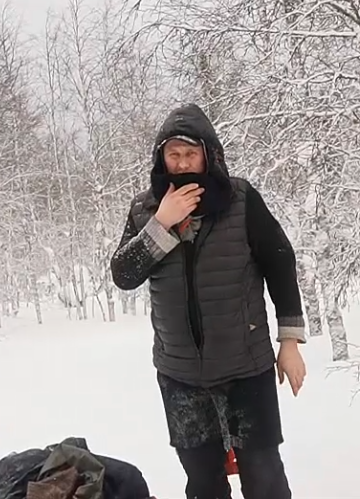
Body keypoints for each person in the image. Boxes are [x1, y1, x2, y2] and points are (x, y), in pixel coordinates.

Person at [109, 103, 308, 499]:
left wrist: (289, 343)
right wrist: (161, 222)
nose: (182, 164)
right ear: (161, 157)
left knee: (264, 478)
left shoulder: (240, 198)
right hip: (179, 374)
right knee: (203, 484)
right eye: (173, 154)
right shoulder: (144, 209)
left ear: (208, 154)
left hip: (246, 367)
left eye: (190, 153)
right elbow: (124, 275)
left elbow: (279, 261)